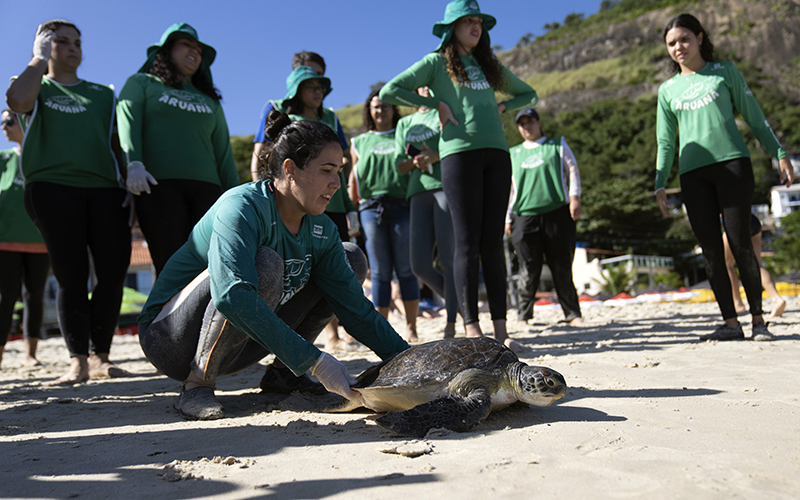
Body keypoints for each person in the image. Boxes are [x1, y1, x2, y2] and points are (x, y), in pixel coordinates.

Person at [138, 111, 409, 420]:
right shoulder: (241, 207)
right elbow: (232, 296)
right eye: (326, 170)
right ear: (290, 169)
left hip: (241, 345)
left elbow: (355, 308)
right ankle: (197, 383)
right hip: (170, 340)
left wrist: (408, 358)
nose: (336, 183)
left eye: (340, 171)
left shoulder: (321, 229)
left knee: (351, 257)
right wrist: (315, 361)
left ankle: (283, 375)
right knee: (264, 263)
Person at [379, 0, 538, 351]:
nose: (476, 26)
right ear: (452, 28)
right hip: (458, 155)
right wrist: (438, 103)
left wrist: (503, 106)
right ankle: (471, 328)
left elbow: (529, 93)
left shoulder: (488, 65)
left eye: (478, 20)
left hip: (497, 153)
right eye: (467, 21)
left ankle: (501, 330)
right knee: (466, 242)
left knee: (493, 243)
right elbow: (391, 91)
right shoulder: (436, 63)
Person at [654, 13, 794, 341]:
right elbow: (665, 141)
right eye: (672, 43)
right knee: (710, 249)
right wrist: (661, 181)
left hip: (732, 165)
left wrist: (779, 152)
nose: (679, 47)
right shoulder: (668, 90)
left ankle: (758, 321)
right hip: (692, 175)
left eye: (684, 39)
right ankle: (731, 323)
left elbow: (755, 116)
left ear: (700, 38)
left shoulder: (724, 71)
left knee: (740, 242)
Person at [6, 20, 132, 384]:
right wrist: (37, 59)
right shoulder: (35, 85)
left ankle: (101, 357)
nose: (72, 47)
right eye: (61, 41)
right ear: (45, 46)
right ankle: (77, 359)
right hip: (52, 188)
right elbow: (17, 102)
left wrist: (129, 183)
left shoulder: (103, 93)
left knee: (112, 272)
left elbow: (115, 145)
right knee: (70, 274)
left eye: (77, 42)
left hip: (107, 190)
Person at [117, 23, 239, 275]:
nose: (194, 51)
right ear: (166, 51)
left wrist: (236, 197)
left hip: (209, 191)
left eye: (198, 49)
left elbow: (223, 152)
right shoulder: (142, 83)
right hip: (159, 186)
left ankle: (206, 316)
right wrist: (133, 163)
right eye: (186, 45)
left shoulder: (209, 99)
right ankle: (167, 316)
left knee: (210, 270)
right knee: (172, 267)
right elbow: (127, 120)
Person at [349, 89, 419, 342]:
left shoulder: (405, 136)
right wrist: (352, 212)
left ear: (394, 109)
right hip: (369, 208)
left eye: (386, 106)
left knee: (406, 269)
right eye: (376, 106)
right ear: (369, 110)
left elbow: (417, 162)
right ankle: (383, 331)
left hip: (402, 206)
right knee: (378, 271)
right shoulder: (359, 142)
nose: (380, 110)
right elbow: (352, 179)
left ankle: (412, 327)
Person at [504, 109, 583, 326]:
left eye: (530, 122)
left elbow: (572, 170)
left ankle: (572, 314)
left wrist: (575, 198)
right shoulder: (514, 153)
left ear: (539, 123)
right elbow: (510, 189)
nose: (526, 127)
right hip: (524, 215)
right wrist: (507, 218)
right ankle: (524, 315)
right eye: (522, 124)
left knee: (562, 264)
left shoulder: (557, 144)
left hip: (557, 212)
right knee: (528, 267)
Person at [394, 87, 458, 338]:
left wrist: (437, 155)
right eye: (421, 85)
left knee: (448, 258)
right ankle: (462, 303)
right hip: (417, 193)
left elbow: (459, 146)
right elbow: (400, 165)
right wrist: (415, 161)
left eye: (431, 84)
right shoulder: (404, 123)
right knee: (418, 265)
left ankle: (452, 322)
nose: (426, 88)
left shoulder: (445, 112)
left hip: (445, 187)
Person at [250, 51, 350, 182]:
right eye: (307, 71)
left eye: (319, 75)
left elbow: (345, 155)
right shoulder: (276, 108)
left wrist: (342, 184)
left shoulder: (330, 116)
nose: (314, 78)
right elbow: (260, 153)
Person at [0, 110, 49, 368]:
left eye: (9, 120)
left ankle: (30, 355)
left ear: (25, 122)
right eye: (2, 122)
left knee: (34, 297)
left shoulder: (42, 157)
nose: (3, 126)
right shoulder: (3, 159)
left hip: (40, 242)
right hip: (4, 242)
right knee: (4, 298)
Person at [723, 214, 786, 320]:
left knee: (728, 265)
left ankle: (738, 303)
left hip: (733, 220)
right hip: (752, 220)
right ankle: (776, 298)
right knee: (756, 265)